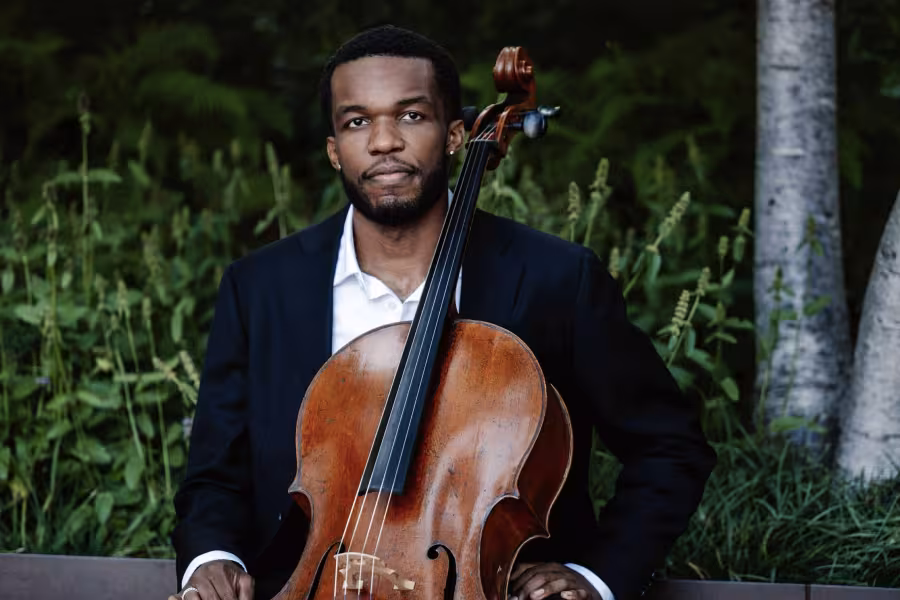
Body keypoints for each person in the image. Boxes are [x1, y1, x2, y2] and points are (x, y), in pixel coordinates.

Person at [169, 24, 716, 600]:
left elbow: (669, 448)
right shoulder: (260, 287)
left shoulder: (557, 280)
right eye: (357, 121)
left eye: (411, 116)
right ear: (334, 149)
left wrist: (594, 576)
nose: (384, 142)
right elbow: (214, 475)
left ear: (455, 134)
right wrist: (211, 558)